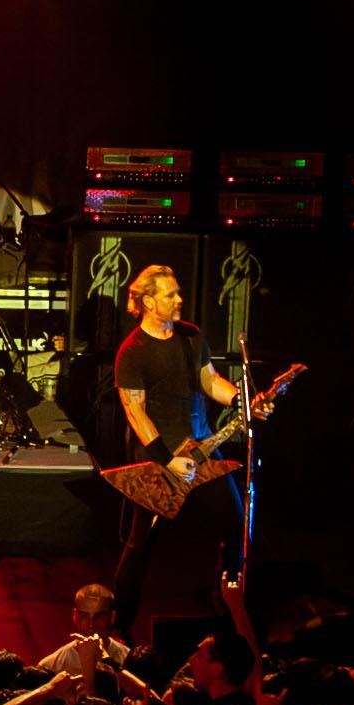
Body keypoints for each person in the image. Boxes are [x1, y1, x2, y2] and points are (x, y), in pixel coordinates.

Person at [108, 263, 251, 635]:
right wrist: (166, 460)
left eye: (177, 292)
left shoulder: (191, 336)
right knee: (141, 544)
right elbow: (136, 412)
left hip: (201, 449)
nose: (179, 299)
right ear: (148, 301)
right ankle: (120, 627)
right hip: (158, 458)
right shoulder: (133, 351)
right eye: (170, 294)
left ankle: (228, 602)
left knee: (236, 523)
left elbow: (210, 381)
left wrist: (241, 400)